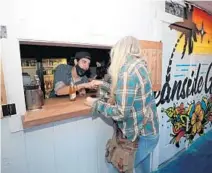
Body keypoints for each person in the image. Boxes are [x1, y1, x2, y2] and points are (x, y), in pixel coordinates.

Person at [86, 36, 159, 173]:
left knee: (119, 168)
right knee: (143, 170)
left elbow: (121, 113)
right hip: (150, 130)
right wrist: (103, 84)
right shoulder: (139, 66)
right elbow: (128, 91)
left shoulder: (126, 72)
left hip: (141, 136)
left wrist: (95, 103)